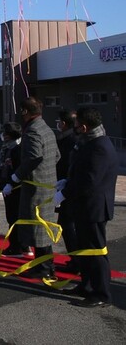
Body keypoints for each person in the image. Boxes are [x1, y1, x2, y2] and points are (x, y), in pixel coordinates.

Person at [56, 107, 118, 307]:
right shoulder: (88, 142)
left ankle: (101, 293)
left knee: (96, 251)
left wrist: (64, 193)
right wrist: (66, 181)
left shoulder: (99, 146)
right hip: (83, 206)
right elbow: (80, 171)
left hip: (94, 207)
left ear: (84, 127)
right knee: (84, 249)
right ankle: (87, 285)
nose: (74, 128)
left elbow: (89, 180)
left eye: (76, 126)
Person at [6, 96, 59, 281]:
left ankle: (44, 267)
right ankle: (44, 265)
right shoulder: (47, 128)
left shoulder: (33, 131)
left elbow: (34, 158)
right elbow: (56, 156)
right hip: (47, 183)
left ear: (25, 112)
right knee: (42, 228)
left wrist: (16, 176)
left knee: (38, 229)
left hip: (36, 186)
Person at [0, 122, 31, 257]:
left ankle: (17, 246)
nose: (2, 135)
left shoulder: (17, 149)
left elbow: (18, 168)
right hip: (8, 185)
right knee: (14, 216)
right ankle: (23, 245)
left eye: (4, 133)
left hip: (15, 187)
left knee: (14, 217)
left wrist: (11, 183)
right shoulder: (7, 147)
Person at [54, 109, 79, 273]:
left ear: (64, 123)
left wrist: (65, 186)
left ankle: (77, 261)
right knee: (67, 224)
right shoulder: (69, 139)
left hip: (70, 191)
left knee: (68, 225)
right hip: (65, 186)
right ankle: (75, 259)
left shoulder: (71, 141)